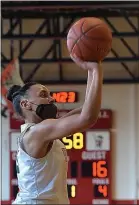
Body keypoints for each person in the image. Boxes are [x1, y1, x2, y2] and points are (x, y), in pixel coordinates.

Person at [7, 54, 103, 204]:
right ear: (26, 104)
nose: (52, 99)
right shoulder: (36, 133)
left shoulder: (41, 131)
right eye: (44, 95)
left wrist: (91, 70)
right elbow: (87, 118)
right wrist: (96, 69)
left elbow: (87, 109)